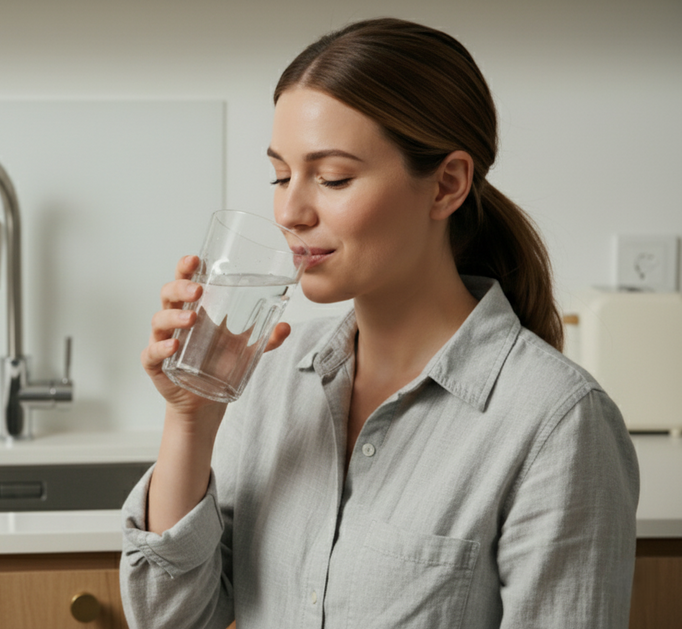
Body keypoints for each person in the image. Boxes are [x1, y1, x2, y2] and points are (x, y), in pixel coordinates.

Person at [121, 17, 639, 629]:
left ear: (446, 185)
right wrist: (191, 419)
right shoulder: (269, 376)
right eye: (281, 175)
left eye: (333, 177)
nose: (290, 211)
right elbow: (174, 620)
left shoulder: (556, 422)